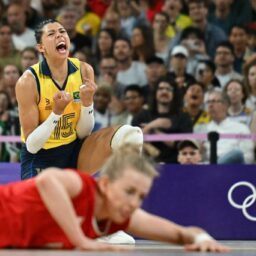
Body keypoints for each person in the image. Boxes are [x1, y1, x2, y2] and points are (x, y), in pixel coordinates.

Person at [0, 144, 229, 252]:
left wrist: (202, 240)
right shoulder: (82, 186)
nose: (134, 203)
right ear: (106, 183)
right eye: (129, 191)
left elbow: (182, 233)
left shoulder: (122, 216)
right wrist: (82, 241)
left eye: (141, 196)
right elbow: (47, 181)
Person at [15, 19, 143, 179]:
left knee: (131, 134)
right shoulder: (28, 81)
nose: (59, 36)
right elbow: (32, 145)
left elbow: (84, 133)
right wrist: (56, 113)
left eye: (62, 32)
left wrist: (87, 103)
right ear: (41, 47)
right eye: (51, 34)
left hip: (74, 150)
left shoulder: (84, 70)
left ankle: (127, 189)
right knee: (51, 203)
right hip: (41, 157)